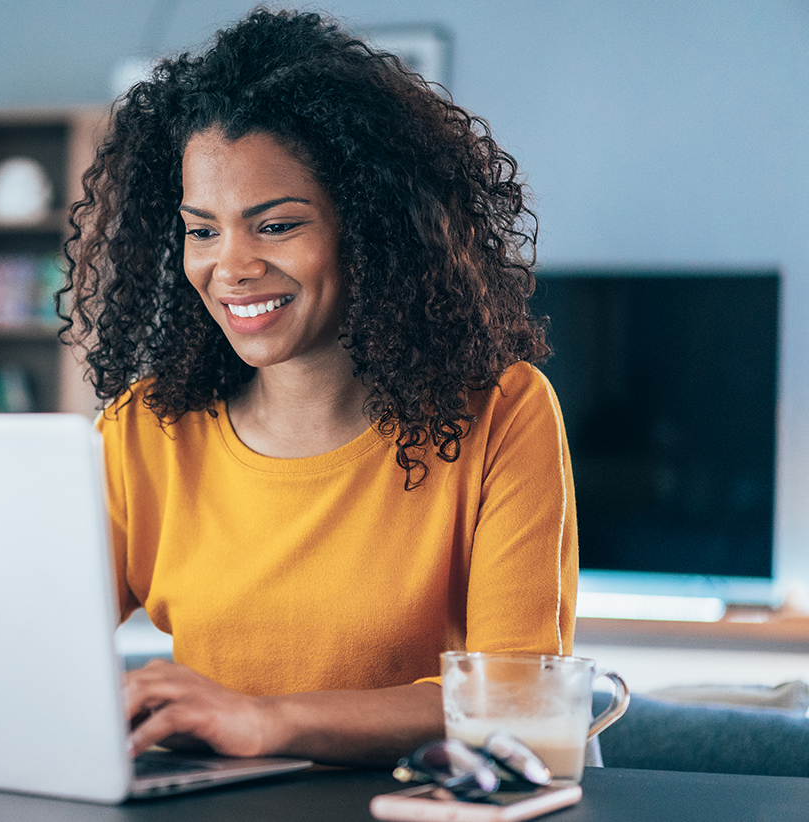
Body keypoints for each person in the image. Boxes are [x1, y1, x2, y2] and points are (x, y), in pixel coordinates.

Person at [60, 7, 577, 768]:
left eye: (275, 226)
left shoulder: (501, 410)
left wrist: (267, 722)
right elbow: (33, 646)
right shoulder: (145, 431)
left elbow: (519, 700)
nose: (229, 266)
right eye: (202, 230)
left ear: (368, 228)